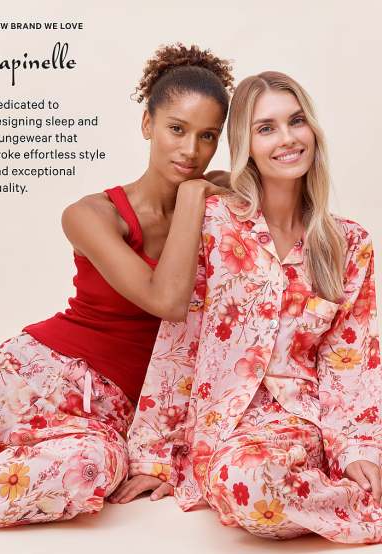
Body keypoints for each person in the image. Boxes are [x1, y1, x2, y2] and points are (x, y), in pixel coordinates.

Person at [0, 43, 234, 527]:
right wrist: (193, 197)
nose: (190, 150)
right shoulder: (91, 214)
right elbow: (166, 299)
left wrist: (207, 194)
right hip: (33, 373)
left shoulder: (219, 203)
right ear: (148, 124)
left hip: (107, 417)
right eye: (176, 129)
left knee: (89, 470)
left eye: (208, 136)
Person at [117, 71, 382, 544]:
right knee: (246, 484)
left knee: (255, 484)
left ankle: (349, 495)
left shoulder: (348, 244)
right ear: (246, 146)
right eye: (266, 128)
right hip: (223, 432)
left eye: (296, 121)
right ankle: (346, 507)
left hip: (305, 428)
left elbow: (351, 364)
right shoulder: (215, 225)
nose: (287, 138)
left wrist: (357, 449)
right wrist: (154, 454)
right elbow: (181, 340)